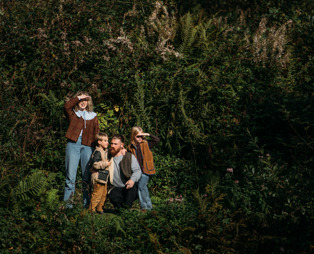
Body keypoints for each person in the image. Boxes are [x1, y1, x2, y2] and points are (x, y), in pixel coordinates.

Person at [63, 91, 99, 208]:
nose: (83, 102)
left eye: (85, 100)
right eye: (81, 100)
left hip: (88, 146)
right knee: (70, 176)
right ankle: (68, 206)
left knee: (86, 176)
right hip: (73, 144)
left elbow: (96, 134)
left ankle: (86, 205)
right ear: (77, 101)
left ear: (88, 102)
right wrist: (78, 97)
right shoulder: (73, 114)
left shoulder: (93, 116)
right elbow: (67, 106)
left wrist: (97, 150)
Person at [128, 127, 160, 211]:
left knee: (141, 186)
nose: (140, 138)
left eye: (142, 136)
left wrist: (148, 134)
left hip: (146, 170)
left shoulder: (147, 143)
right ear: (133, 136)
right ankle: (148, 207)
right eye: (138, 136)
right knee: (143, 187)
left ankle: (144, 207)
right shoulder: (131, 147)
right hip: (137, 171)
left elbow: (157, 140)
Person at [107, 134, 142, 209]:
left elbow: (137, 171)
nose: (113, 146)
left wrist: (132, 180)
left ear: (122, 145)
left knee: (132, 188)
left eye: (115, 144)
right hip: (115, 187)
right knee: (112, 195)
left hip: (127, 186)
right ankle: (121, 210)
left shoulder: (129, 156)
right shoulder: (108, 156)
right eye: (112, 143)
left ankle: (126, 211)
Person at [89, 133, 113, 214]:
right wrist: (105, 164)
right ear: (99, 142)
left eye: (107, 140)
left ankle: (100, 209)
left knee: (103, 194)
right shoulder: (98, 152)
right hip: (98, 177)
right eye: (105, 141)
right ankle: (91, 210)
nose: (107, 142)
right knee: (97, 194)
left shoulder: (104, 151)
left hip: (103, 177)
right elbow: (95, 164)